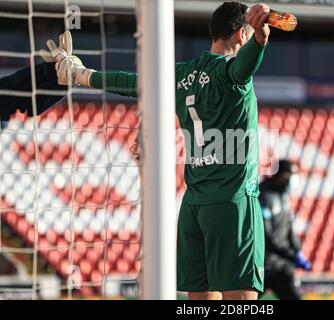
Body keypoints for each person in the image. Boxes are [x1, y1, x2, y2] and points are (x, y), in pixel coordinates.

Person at [46, 2, 273, 300]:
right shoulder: (231, 75)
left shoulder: (180, 76)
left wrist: (81, 74)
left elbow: (130, 83)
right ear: (240, 35)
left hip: (193, 207)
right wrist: (261, 38)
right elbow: (245, 65)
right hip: (232, 204)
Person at [259, 159, 312, 300]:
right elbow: (266, 234)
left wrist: (297, 250)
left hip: (281, 266)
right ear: (283, 176)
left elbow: (288, 227)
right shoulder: (263, 195)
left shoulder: (283, 196)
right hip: (261, 266)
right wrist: (290, 254)